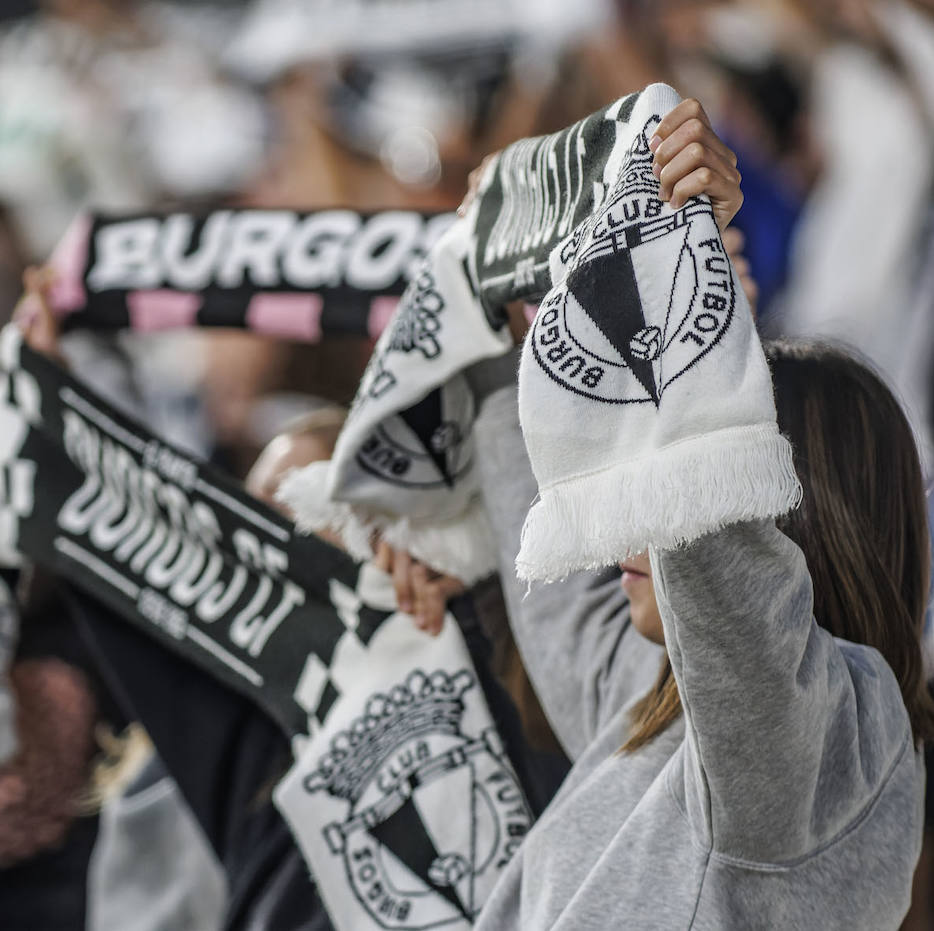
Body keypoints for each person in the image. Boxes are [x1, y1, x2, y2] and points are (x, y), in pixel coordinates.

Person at [393, 98, 931, 928]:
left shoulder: (831, 748)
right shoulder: (645, 696)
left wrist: (679, 252)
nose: (644, 521)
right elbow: (545, 513)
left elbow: (714, 547)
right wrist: (501, 258)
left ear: (800, 513)